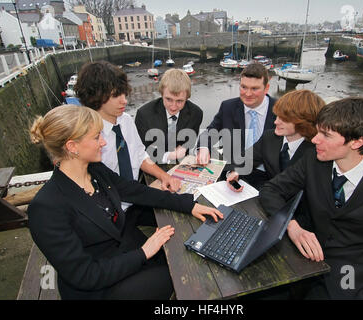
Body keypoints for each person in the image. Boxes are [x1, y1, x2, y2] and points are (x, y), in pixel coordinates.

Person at [28, 105, 223, 300]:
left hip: (123, 255)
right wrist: (144, 252)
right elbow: (85, 275)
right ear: (72, 147)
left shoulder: (95, 170)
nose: (103, 142)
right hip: (99, 287)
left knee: (182, 257)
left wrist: (189, 205)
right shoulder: (46, 208)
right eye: (97, 137)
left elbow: (136, 191)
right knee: (182, 276)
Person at [259, 97, 363, 299]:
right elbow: (271, 190)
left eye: (326, 135)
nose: (315, 139)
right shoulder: (313, 160)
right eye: (318, 131)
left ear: (357, 142)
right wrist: (292, 227)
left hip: (355, 286)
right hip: (303, 268)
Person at [75, 61, 180, 196]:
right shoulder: (85, 135)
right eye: (115, 95)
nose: (124, 100)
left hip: (135, 195)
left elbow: (140, 156)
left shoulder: (126, 120)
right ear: (95, 96)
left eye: (124, 94)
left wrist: (164, 176)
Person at [226, 89, 325, 191]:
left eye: (284, 119)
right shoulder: (269, 137)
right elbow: (243, 160)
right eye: (277, 116)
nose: (276, 122)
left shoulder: (317, 151)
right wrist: (235, 173)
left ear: (304, 123)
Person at [196, 63, 277, 179]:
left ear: (266, 88)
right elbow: (210, 132)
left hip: (269, 176)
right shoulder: (228, 107)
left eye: (254, 88)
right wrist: (204, 148)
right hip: (233, 171)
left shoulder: (281, 110)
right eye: (244, 87)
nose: (248, 94)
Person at [135, 68, 203, 164]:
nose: (173, 106)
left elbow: (191, 139)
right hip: (152, 166)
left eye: (179, 101)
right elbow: (140, 151)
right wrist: (169, 156)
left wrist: (185, 146)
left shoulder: (196, 113)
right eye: (168, 99)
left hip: (181, 165)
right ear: (161, 94)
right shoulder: (144, 114)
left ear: (187, 97)